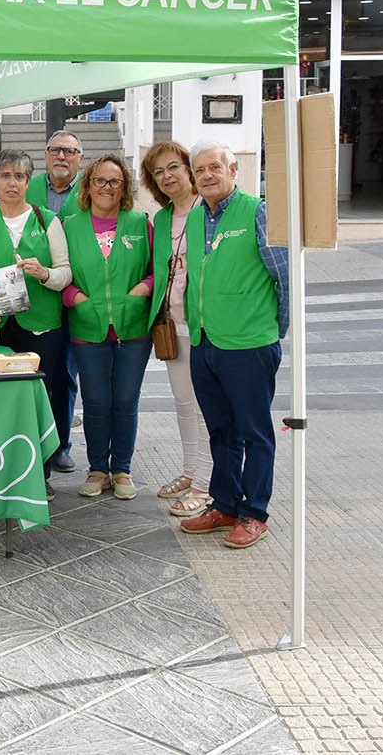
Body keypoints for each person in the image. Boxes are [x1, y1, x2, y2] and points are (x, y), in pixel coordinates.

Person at [179, 140, 288, 550]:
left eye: (215, 167)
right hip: (205, 340)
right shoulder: (195, 217)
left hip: (249, 343)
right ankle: (224, 504)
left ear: (233, 170)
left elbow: (285, 277)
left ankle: (254, 512)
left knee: (254, 431)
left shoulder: (257, 211)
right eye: (200, 170)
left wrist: (273, 329)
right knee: (220, 430)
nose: (207, 175)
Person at [0, 149, 71, 496]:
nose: (12, 183)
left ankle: (39, 475)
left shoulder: (47, 220)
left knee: (36, 400)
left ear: (29, 181)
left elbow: (65, 274)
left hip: (40, 328)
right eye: (5, 176)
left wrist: (45, 273)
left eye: (19, 176)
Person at [62, 153, 154, 501]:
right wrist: (77, 299)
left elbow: (157, 270)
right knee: (96, 401)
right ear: (87, 185)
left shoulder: (140, 223)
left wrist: (140, 291)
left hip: (133, 328)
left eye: (115, 181)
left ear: (124, 187)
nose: (107, 187)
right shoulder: (70, 226)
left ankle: (122, 469)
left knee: (126, 400)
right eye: (99, 180)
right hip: (88, 326)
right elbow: (61, 272)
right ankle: (98, 469)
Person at [141, 141, 213, 517]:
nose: (167, 176)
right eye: (158, 172)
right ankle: (190, 470)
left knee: (204, 406)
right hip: (172, 323)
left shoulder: (208, 210)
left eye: (173, 167)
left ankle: (205, 484)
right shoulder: (162, 219)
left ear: (188, 168)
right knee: (183, 403)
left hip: (206, 324)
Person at [26, 128, 85, 472]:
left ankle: (61, 444)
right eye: (56, 150)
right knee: (33, 374)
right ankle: (31, 441)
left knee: (64, 376)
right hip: (35, 295)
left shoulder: (91, 190)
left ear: (80, 158)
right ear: (46, 154)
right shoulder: (29, 187)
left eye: (69, 151)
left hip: (75, 294)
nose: (62, 156)